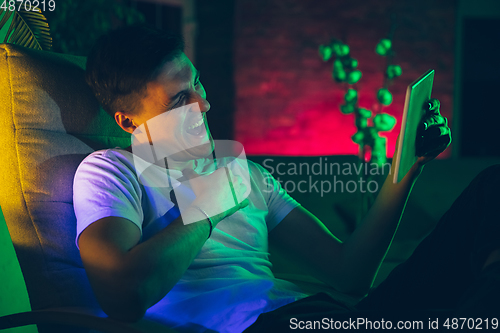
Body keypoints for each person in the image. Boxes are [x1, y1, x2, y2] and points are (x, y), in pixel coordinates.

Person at [75, 24, 497, 333]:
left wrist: (410, 166)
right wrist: (207, 209)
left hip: (323, 315)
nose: (203, 105)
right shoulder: (110, 171)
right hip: (259, 327)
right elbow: (121, 296)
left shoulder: (248, 174)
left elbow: (349, 273)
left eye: (198, 83)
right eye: (180, 99)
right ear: (128, 120)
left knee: (491, 191)